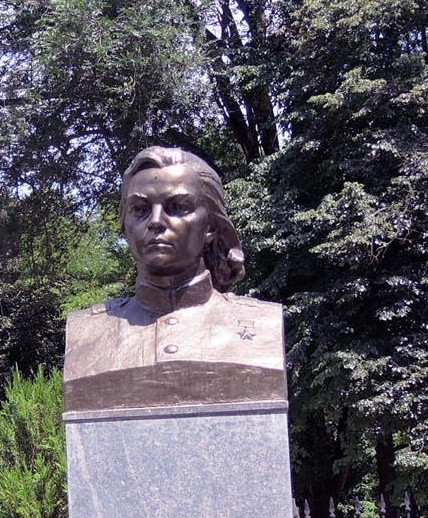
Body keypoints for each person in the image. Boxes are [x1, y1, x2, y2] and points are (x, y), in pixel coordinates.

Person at [63, 145, 285, 412]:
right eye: (140, 209)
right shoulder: (87, 333)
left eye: (178, 207)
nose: (156, 221)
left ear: (212, 227)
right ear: (124, 224)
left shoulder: (262, 325)